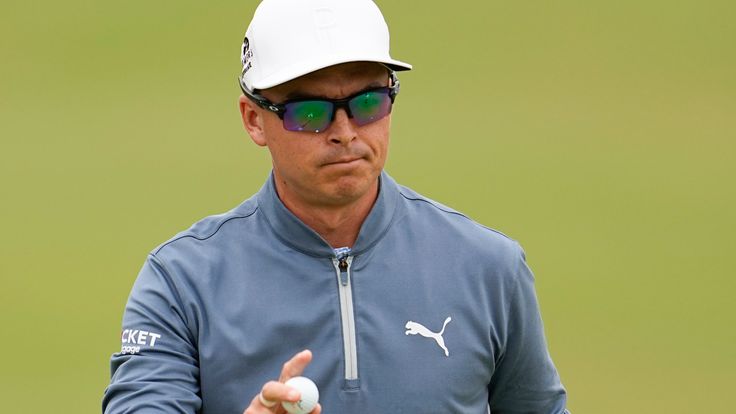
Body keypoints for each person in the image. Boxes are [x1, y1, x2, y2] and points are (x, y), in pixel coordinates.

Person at [102, 0, 570, 413]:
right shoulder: (182, 281)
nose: (345, 131)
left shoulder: (489, 268)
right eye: (311, 112)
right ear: (254, 121)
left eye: (368, 103)